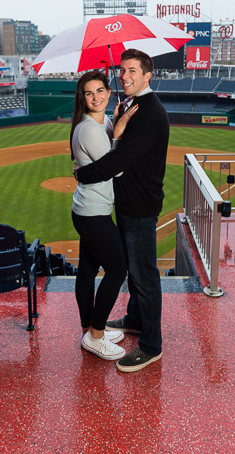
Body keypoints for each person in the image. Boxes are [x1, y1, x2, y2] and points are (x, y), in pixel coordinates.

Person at [74, 49, 169, 372]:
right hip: (130, 204)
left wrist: (81, 173)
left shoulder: (150, 114)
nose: (125, 75)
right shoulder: (135, 107)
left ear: (147, 75)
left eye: (132, 70)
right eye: (122, 69)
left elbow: (115, 162)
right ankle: (135, 319)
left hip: (139, 206)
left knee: (144, 277)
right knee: (136, 273)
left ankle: (151, 345)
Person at [71, 70, 137, 361]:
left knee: (87, 271)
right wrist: (119, 135)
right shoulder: (87, 129)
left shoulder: (104, 122)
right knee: (116, 270)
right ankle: (96, 335)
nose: (96, 97)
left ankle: (88, 328)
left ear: (109, 93)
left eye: (100, 90)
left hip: (89, 210)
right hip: (93, 213)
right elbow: (117, 168)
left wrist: (116, 124)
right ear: (82, 98)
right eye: (89, 92)